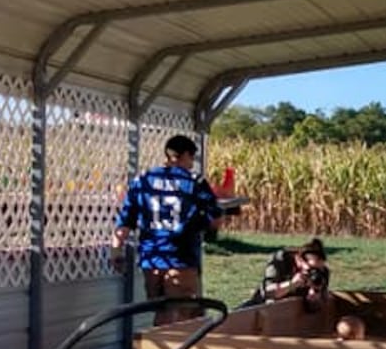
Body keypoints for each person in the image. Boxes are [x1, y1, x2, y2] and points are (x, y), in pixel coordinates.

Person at [113, 134, 223, 326]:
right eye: (191, 159)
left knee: (161, 312)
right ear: (185, 155)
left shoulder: (143, 180)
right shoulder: (194, 182)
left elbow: (124, 222)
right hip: (181, 257)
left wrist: (116, 250)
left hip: (151, 259)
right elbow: (216, 219)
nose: (191, 165)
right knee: (185, 314)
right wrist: (203, 222)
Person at [245, 237, 330, 310]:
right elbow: (268, 293)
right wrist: (292, 284)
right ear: (299, 260)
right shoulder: (281, 260)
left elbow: (319, 306)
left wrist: (316, 297)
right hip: (264, 305)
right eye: (311, 268)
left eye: (318, 269)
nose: (314, 272)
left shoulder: (321, 273)